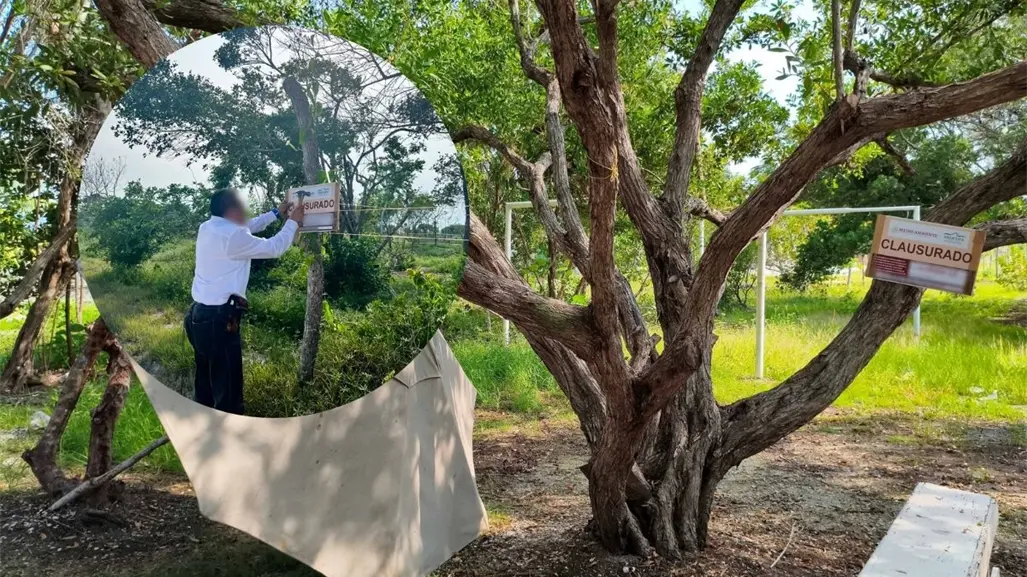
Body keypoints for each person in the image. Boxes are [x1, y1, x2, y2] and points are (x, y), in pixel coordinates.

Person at [185, 188, 304, 414]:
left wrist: (276, 214)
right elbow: (274, 248)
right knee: (228, 392)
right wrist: (293, 223)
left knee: (206, 386)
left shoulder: (209, 227)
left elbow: (246, 227)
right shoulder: (233, 236)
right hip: (219, 322)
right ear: (231, 211)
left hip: (198, 318)